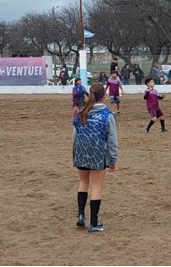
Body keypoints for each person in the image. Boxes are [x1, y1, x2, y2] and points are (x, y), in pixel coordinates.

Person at [72, 81, 118, 233]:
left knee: (83, 182)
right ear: (103, 97)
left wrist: (75, 154)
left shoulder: (80, 114)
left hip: (81, 152)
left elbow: (74, 136)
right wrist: (113, 159)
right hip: (98, 154)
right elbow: (112, 139)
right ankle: (93, 223)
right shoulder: (107, 115)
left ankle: (80, 215)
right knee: (97, 187)